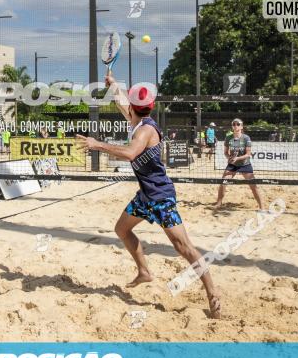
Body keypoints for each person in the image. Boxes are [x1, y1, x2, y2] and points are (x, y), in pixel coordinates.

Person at [76, 70, 221, 319]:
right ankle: (144, 271)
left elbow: (131, 153)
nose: (127, 109)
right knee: (122, 229)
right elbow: (123, 105)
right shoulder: (138, 119)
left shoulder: (145, 131)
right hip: (145, 195)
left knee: (183, 247)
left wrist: (97, 144)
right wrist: (113, 84)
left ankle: (212, 293)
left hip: (161, 196)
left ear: (136, 108)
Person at [215, 119, 265, 210]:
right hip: (233, 164)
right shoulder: (228, 137)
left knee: (253, 185)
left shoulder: (246, 138)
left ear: (241, 127)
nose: (235, 125)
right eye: (234, 124)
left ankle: (262, 207)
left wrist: (237, 158)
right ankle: (219, 203)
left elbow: (248, 154)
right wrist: (229, 157)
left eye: (238, 124)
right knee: (223, 182)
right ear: (232, 126)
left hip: (244, 164)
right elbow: (226, 152)